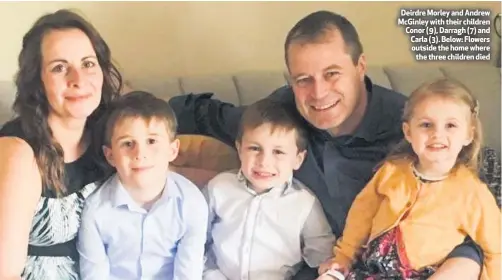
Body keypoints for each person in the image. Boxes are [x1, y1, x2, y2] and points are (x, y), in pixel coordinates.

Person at [168, 10, 501, 279]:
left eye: (332, 74)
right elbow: (204, 113)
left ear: (360, 67)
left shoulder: (414, 126)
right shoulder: (280, 120)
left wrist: (466, 260)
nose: (318, 93)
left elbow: (478, 193)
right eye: (303, 80)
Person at [318, 78, 501, 280]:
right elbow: (361, 215)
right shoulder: (391, 171)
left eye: (450, 125)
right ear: (408, 132)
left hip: (425, 273)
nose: (437, 134)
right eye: (426, 125)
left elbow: (495, 249)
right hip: (373, 270)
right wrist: (344, 256)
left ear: (468, 135)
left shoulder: (472, 192)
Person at [0, 9, 122, 280]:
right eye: (59, 67)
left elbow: (165, 156)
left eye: (88, 63)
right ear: (38, 83)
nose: (78, 79)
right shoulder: (18, 153)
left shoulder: (109, 130)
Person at [77, 91, 208, 280]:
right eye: (128, 143)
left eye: (152, 141)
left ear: (172, 150)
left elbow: (188, 272)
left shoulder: (192, 203)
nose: (140, 154)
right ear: (110, 155)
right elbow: (94, 274)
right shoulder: (95, 210)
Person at [203, 99, 336, 280]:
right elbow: (193, 239)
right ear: (239, 149)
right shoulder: (218, 188)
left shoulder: (304, 203)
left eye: (278, 152)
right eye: (255, 148)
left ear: (298, 159)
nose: (264, 162)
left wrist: (330, 273)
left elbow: (323, 255)